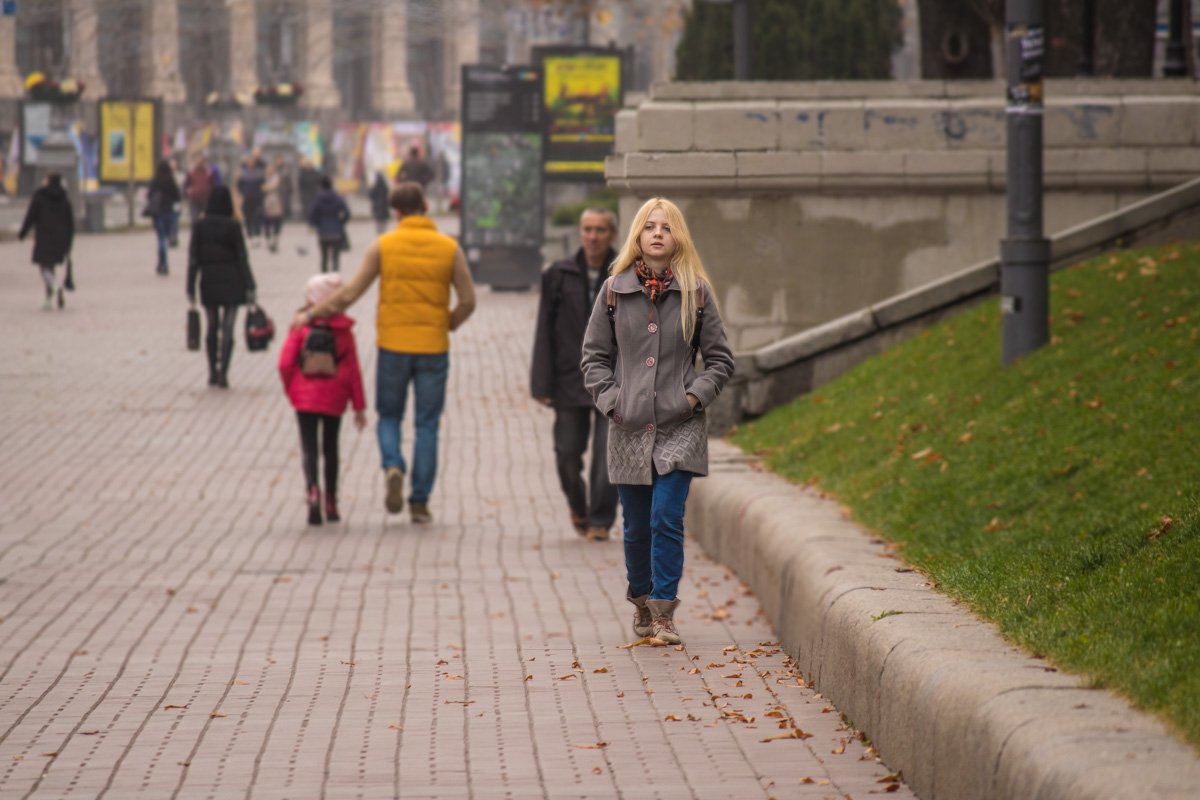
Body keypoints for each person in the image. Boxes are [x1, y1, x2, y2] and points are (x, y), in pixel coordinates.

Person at [580, 197, 735, 645]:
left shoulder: (697, 293)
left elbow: (721, 360)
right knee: (636, 525)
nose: (657, 233)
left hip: (679, 426)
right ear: (637, 235)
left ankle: (664, 612)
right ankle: (642, 599)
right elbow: (593, 358)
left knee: (667, 516)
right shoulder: (613, 290)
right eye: (650, 226)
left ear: (677, 237)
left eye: (666, 227)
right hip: (628, 427)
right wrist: (613, 402)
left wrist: (692, 398)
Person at [295, 182, 476, 524]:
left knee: (389, 416)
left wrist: (313, 313)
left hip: (393, 346)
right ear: (425, 205)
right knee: (427, 425)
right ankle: (419, 501)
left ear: (395, 211)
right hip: (433, 348)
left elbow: (350, 293)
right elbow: (469, 300)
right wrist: (446, 324)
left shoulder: (384, 246)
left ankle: (393, 464)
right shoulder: (449, 248)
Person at [531, 208, 620, 542]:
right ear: (579, 234)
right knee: (567, 454)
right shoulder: (558, 274)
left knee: (608, 453)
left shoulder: (630, 275)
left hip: (615, 380)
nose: (593, 236)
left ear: (612, 234)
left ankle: (600, 519)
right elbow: (544, 330)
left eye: (599, 230)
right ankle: (578, 505)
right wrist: (541, 382)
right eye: (587, 230)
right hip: (569, 377)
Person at [278, 273, 367, 526]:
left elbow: (285, 363)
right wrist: (358, 407)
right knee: (331, 448)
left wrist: (292, 390)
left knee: (309, 447)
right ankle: (331, 501)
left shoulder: (301, 326)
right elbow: (353, 371)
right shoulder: (344, 331)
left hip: (305, 398)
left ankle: (312, 491)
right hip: (334, 398)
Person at [187, 185, 258, 389]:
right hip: (232, 283)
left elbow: (193, 259)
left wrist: (190, 287)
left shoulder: (200, 226)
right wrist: (251, 285)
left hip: (208, 281)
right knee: (228, 328)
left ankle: (212, 371)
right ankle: (223, 374)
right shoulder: (233, 226)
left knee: (211, 326)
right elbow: (242, 257)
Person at [19, 171, 74, 310]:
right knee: (51, 268)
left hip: (44, 236)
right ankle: (48, 299)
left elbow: (30, 216)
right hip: (60, 239)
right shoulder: (64, 198)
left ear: (48, 181)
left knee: (44, 268)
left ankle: (55, 287)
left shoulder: (40, 197)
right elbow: (70, 223)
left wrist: (22, 233)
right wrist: (69, 242)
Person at [307, 176, 350, 273]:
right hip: (336, 231)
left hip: (323, 232)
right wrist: (341, 223)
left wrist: (316, 224)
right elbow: (347, 213)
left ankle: (324, 274)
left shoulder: (317, 199)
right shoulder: (338, 198)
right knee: (335, 257)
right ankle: (335, 275)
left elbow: (312, 213)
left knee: (324, 256)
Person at [147, 159, 182, 275]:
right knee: (164, 239)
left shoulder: (155, 181)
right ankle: (163, 263)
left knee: (160, 239)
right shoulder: (170, 180)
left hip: (158, 213)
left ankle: (162, 263)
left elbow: (149, 195)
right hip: (169, 212)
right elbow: (177, 196)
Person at [236, 151, 266, 246]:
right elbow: (239, 186)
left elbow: (263, 185)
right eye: (249, 161)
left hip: (257, 198)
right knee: (248, 218)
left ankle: (257, 235)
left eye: (252, 161)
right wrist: (243, 193)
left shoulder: (259, 173)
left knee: (257, 217)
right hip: (247, 199)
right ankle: (250, 236)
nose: (251, 163)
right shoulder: (243, 174)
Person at [183, 153, 215, 223]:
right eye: (197, 161)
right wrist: (187, 194)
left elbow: (213, 185)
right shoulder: (191, 173)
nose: (199, 162)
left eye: (201, 161)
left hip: (206, 198)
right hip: (194, 198)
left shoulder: (208, 173)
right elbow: (186, 185)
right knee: (194, 219)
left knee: (207, 218)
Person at [262, 161, 284, 253]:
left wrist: (265, 187)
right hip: (265, 203)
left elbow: (272, 187)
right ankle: (268, 241)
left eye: (271, 169)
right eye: (268, 169)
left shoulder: (276, 178)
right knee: (267, 223)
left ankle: (275, 240)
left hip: (275, 203)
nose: (269, 171)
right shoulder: (264, 178)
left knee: (276, 222)